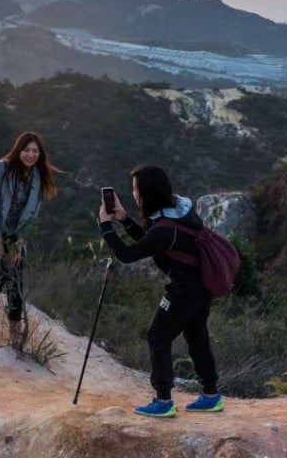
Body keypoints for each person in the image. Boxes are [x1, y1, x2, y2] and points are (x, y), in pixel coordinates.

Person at [97, 165, 222, 418]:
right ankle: (211, 395)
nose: (133, 193)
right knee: (196, 334)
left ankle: (163, 400)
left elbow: (128, 255)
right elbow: (152, 240)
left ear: (147, 191)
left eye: (135, 188)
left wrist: (106, 226)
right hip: (201, 284)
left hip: (185, 287)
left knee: (158, 336)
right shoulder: (177, 212)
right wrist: (124, 220)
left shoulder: (164, 227)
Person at [0, 131, 59, 346]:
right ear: (19, 150)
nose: (30, 155)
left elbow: (33, 212)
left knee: (15, 280)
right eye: (26, 150)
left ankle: (15, 330)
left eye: (35, 151)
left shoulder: (37, 174)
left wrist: (20, 242)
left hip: (17, 231)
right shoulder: (2, 167)